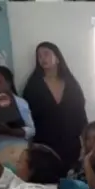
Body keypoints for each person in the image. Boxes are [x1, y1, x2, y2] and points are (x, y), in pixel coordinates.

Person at [22, 42, 89, 171]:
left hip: (71, 143)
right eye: (39, 56)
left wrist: (86, 142)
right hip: (44, 144)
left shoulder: (71, 84)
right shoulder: (33, 85)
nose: (42, 58)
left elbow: (81, 114)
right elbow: (27, 117)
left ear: (57, 58)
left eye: (46, 54)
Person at [0, 65, 36, 167]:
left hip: (15, 152)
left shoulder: (20, 103)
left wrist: (9, 131)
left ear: (8, 82)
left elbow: (31, 130)